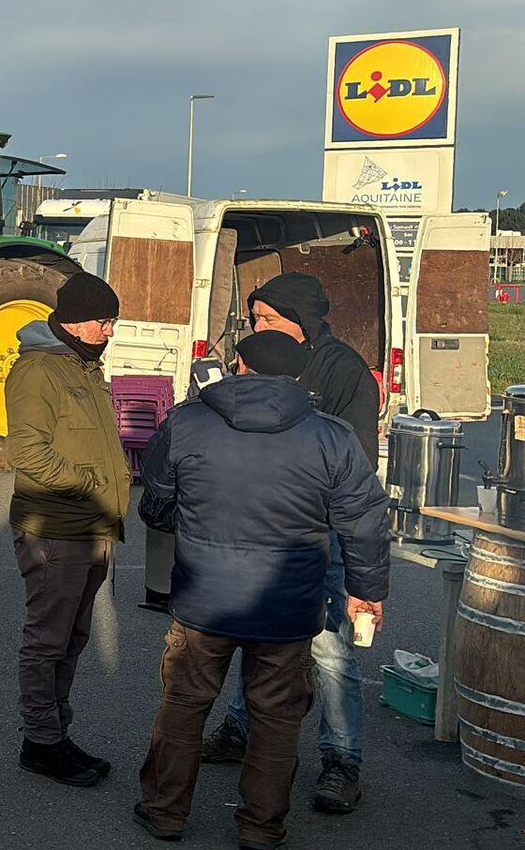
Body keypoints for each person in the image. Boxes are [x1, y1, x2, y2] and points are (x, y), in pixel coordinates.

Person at [134, 331, 390, 849]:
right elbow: (363, 522)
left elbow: (156, 505)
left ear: (239, 364)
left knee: (184, 704)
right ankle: (261, 826)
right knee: (277, 718)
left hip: (204, 598)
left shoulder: (186, 422)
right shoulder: (331, 436)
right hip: (288, 604)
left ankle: (164, 811)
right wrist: (365, 591)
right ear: (298, 376)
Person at [200, 272, 380, 813]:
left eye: (267, 320)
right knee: (257, 635)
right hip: (260, 528)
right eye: (254, 319)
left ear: (301, 322)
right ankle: (239, 728)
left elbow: (356, 470)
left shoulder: (345, 372)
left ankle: (342, 760)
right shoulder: (253, 359)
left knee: (328, 650)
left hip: (318, 534)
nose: (256, 329)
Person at [3, 271, 133, 787]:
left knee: (72, 637)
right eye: (105, 322)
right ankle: (41, 742)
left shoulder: (82, 367)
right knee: (47, 640)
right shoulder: (40, 372)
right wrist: (88, 483)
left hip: (92, 526)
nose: (110, 332)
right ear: (77, 322)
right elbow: (27, 451)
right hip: (57, 527)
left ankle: (56, 733)